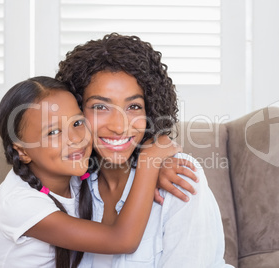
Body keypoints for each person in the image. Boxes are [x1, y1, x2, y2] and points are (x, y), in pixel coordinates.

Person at [56, 33, 232, 267]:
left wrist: (152, 165)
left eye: (134, 107)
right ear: (76, 110)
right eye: (100, 107)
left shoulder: (179, 178)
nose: (118, 127)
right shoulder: (70, 186)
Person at [0, 76, 182, 268]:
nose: (76, 139)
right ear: (23, 151)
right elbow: (122, 240)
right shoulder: (19, 203)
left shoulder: (78, 173)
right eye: (53, 132)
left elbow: (121, 158)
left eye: (77, 123)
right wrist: (150, 161)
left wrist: (163, 166)